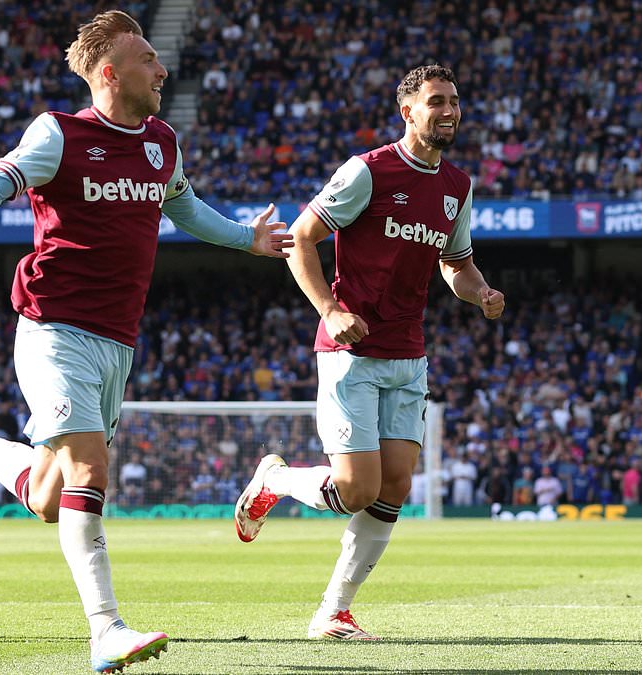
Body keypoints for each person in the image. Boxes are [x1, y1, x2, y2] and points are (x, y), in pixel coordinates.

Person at [0, 10, 291, 672]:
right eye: (147, 60)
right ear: (109, 74)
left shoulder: (163, 141)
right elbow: (0, 181)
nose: (162, 69)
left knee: (50, 498)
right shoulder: (61, 134)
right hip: (54, 327)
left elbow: (185, 207)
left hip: (118, 340)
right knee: (90, 470)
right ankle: (105, 629)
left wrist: (244, 237)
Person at [233, 64, 505, 640]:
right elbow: (302, 238)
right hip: (350, 352)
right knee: (355, 489)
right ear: (408, 111)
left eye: (455, 101)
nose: (450, 111)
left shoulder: (457, 186)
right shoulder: (368, 171)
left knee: (396, 486)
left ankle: (334, 611)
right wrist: (330, 311)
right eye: (437, 102)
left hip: (409, 355)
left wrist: (479, 291)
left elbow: (454, 264)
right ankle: (274, 480)